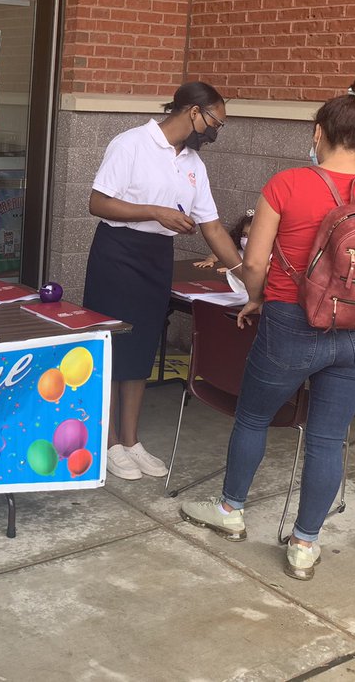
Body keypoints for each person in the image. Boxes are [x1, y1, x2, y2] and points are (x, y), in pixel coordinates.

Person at [181, 76, 355, 581]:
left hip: (294, 323)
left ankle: (230, 511)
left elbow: (255, 263)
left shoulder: (287, 184)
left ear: (317, 132)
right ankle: (305, 545)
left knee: (253, 418)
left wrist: (258, 299)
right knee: (328, 439)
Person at [84, 81, 243, 481]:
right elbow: (98, 202)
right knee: (114, 346)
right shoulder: (131, 144)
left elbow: (214, 228)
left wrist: (247, 273)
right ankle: (107, 443)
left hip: (157, 256)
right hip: (117, 253)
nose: (214, 133)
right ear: (193, 111)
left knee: (142, 348)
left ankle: (131, 441)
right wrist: (154, 211)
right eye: (214, 123)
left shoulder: (193, 164)